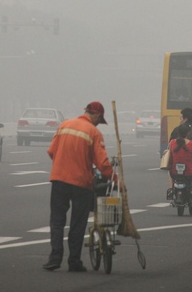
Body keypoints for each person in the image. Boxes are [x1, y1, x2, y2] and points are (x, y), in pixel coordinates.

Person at [43, 101, 116, 273]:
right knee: (77, 223)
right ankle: (74, 261)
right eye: (100, 120)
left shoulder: (64, 125)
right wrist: (116, 179)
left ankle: (55, 257)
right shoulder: (93, 132)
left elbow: (51, 151)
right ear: (97, 115)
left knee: (57, 221)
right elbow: (103, 164)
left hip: (59, 180)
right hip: (81, 183)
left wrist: (63, 164)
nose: (99, 123)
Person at [169, 123, 192, 196]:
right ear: (188, 133)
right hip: (189, 172)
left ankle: (172, 188)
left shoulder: (172, 142)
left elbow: (170, 158)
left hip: (174, 172)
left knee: (169, 172)